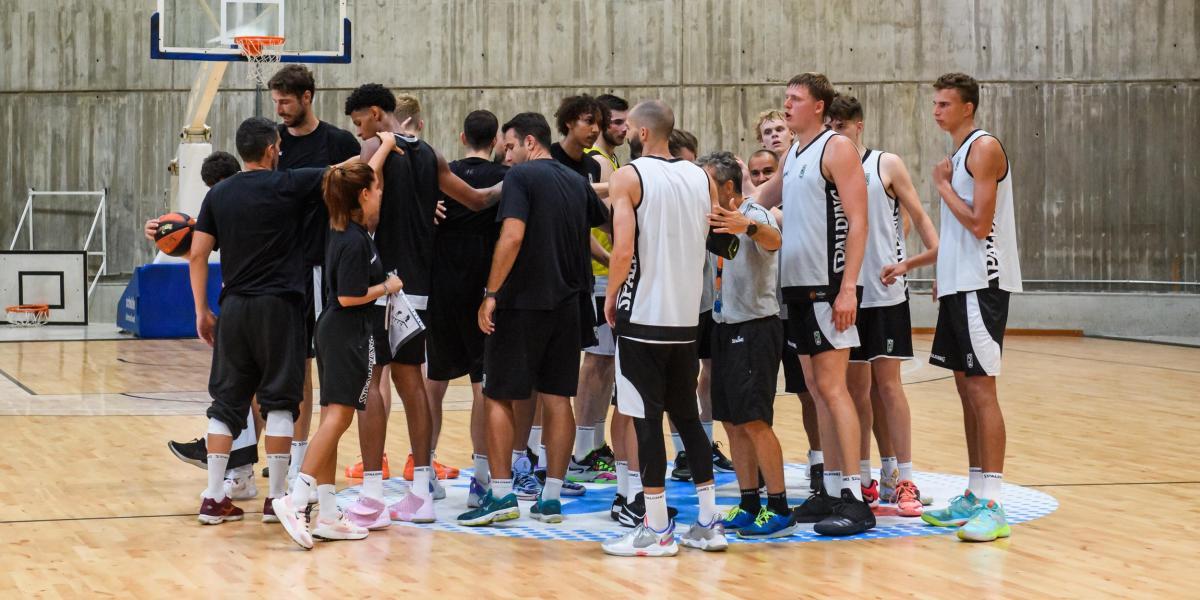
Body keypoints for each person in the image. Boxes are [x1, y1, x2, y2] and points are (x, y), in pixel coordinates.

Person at [340, 84, 500, 526]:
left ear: (377, 113)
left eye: (359, 122)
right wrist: (522, 179)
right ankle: (421, 491)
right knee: (412, 381)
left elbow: (367, 214)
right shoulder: (430, 153)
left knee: (372, 381)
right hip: (420, 286)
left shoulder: (375, 148)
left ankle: (372, 494)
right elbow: (478, 199)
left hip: (381, 282)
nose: (359, 132)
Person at [455, 112, 608, 527]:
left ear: (529, 142)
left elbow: (513, 235)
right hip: (571, 304)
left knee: (498, 395)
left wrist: (491, 294)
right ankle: (551, 498)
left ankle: (501, 494)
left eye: (510, 146)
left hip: (523, 302)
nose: (506, 155)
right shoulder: (576, 181)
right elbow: (600, 224)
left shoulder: (521, 177)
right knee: (558, 398)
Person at [188, 117, 341, 525]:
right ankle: (276, 499)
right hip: (280, 307)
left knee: (225, 403)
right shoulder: (290, 183)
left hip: (235, 307)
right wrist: (384, 147)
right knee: (280, 401)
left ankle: (213, 497)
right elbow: (342, 173)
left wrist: (202, 310)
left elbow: (198, 254)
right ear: (272, 149)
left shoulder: (219, 194)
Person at [600, 100, 727, 557]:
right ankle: (709, 522)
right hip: (685, 319)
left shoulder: (629, 176)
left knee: (646, 420)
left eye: (629, 128)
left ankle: (656, 528)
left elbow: (623, 248)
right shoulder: (702, 176)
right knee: (688, 418)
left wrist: (612, 295)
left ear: (642, 133)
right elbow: (720, 237)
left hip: (643, 316)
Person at [755, 72, 875, 536]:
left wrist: (848, 288)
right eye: (785, 98)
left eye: (796, 99)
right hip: (796, 288)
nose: (787, 105)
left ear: (819, 106)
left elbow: (858, 222)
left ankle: (854, 497)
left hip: (829, 286)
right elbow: (761, 198)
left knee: (833, 388)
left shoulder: (836, 148)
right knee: (815, 389)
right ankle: (828, 487)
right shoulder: (794, 154)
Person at [273, 139, 401, 548]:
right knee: (339, 418)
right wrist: (388, 286)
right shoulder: (354, 240)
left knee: (332, 418)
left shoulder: (345, 227)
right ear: (363, 194)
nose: (380, 194)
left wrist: (384, 146)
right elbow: (349, 296)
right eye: (376, 189)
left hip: (335, 330)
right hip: (346, 331)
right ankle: (296, 498)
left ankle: (328, 514)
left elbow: (359, 176)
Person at [921, 73, 1022, 542]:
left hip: (984, 284)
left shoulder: (983, 148)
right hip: (959, 285)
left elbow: (980, 224)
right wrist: (943, 273)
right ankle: (975, 492)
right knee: (965, 390)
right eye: (935, 103)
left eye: (945, 104)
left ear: (968, 108)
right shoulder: (958, 153)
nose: (937, 111)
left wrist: (942, 187)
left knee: (982, 390)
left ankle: (994, 505)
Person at [827, 94, 939, 516]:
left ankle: (903, 477)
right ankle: (863, 479)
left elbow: (918, 216)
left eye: (842, 125)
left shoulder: (884, 164)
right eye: (830, 126)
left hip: (884, 291)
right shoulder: (826, 167)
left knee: (888, 386)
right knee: (855, 390)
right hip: (845, 292)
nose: (836, 133)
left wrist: (928, 261)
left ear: (858, 125)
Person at [696, 152, 795, 539]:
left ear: (727, 187)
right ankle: (749, 501)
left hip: (755, 329)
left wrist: (747, 226)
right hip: (723, 326)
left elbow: (775, 240)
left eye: (706, 183)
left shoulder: (756, 213)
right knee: (732, 421)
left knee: (755, 420)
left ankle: (780, 508)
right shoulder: (712, 219)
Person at [423, 110, 510, 508]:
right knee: (482, 384)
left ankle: (424, 473)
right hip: (482, 284)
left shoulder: (442, 175)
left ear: (462, 137)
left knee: (434, 381)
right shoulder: (506, 178)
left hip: (441, 284)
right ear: (496, 140)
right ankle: (480, 479)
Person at [665, 128, 736, 484]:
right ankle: (683, 451)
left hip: (705, 299)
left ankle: (704, 445)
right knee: (679, 379)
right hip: (673, 303)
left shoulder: (706, 197)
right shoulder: (661, 195)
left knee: (708, 372)